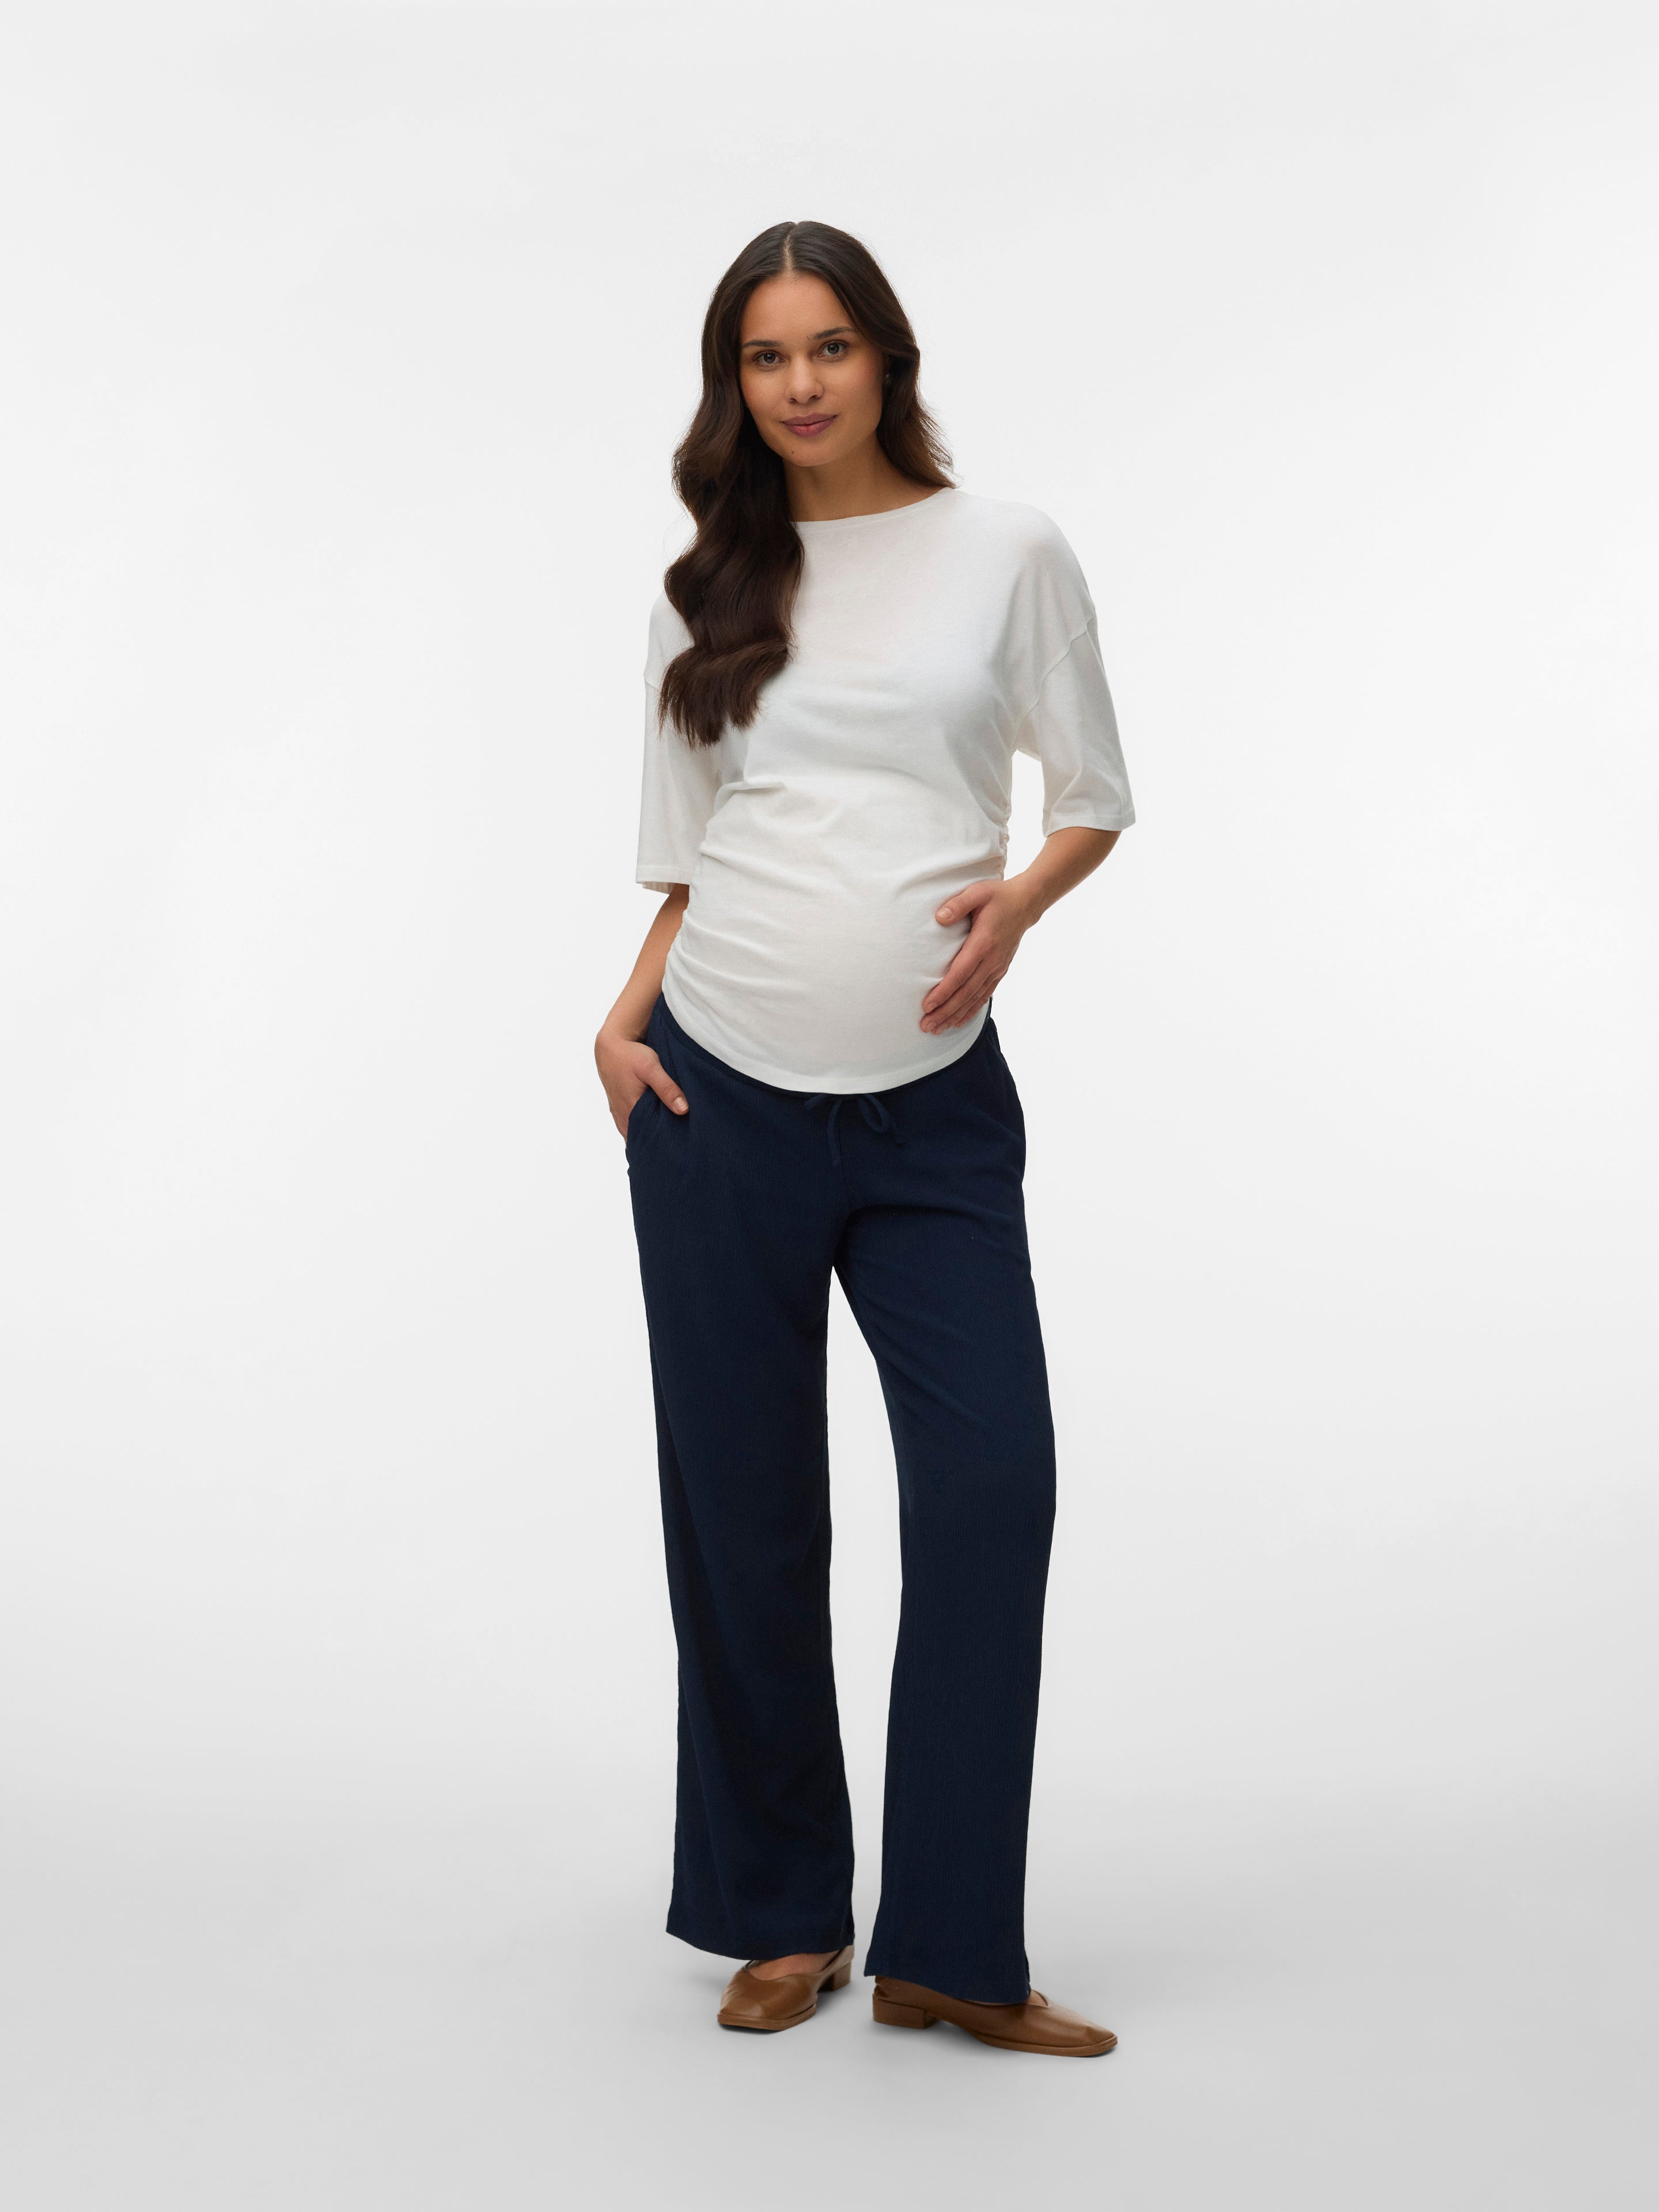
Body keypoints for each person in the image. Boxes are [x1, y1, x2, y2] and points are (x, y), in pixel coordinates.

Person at [594, 220, 1134, 2056]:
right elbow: (689, 852)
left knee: (992, 1491)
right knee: (742, 1517)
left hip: (933, 1111)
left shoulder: (1006, 548)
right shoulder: (707, 586)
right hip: (715, 1092)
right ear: (733, 384)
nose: (802, 383)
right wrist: (625, 1016)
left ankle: (952, 1948)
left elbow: (1094, 793)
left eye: (829, 346)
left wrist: (1019, 907)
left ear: (887, 355)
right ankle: (781, 1913)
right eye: (766, 357)